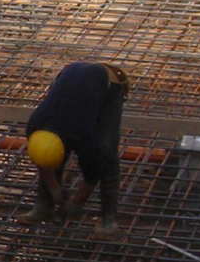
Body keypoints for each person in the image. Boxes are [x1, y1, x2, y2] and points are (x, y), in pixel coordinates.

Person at [23, 62, 130, 234]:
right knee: (50, 156)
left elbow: (92, 173)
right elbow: (42, 160)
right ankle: (44, 206)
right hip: (70, 77)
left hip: (109, 84)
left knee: (106, 152)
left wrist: (77, 201)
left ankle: (108, 220)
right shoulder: (35, 128)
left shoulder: (85, 136)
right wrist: (55, 189)